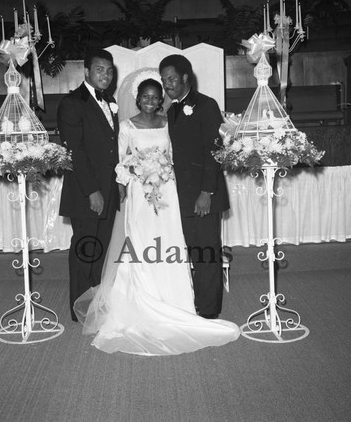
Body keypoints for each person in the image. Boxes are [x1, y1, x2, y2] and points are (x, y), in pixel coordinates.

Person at [73, 74, 240, 355]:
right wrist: (127, 181)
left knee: (171, 241)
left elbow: (177, 155)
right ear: (137, 99)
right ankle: (139, 300)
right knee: (140, 244)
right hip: (140, 194)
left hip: (168, 191)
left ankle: (177, 303)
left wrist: (163, 169)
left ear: (161, 100)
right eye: (145, 96)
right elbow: (120, 163)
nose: (150, 101)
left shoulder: (169, 123)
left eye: (155, 96)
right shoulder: (126, 126)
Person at [159, 54, 229, 319]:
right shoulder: (173, 108)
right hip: (183, 195)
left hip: (203, 195)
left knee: (207, 253)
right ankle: (199, 302)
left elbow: (214, 151)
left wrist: (206, 192)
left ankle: (209, 312)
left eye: (172, 78)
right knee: (195, 252)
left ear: (186, 77)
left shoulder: (206, 105)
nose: (167, 84)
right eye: (164, 80)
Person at [57, 48, 119, 321]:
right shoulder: (72, 102)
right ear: (86, 72)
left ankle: (95, 303)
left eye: (109, 70)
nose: (105, 75)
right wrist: (93, 191)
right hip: (87, 191)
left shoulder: (109, 100)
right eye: (99, 69)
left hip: (109, 189)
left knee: (101, 249)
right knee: (85, 249)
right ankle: (79, 310)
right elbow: (76, 151)